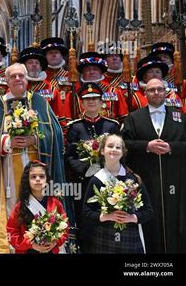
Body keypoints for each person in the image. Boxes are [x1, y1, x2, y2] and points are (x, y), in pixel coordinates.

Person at [0, 63, 75, 254]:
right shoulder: (0, 105)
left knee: (40, 207)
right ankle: (18, 248)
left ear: (27, 79)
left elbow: (55, 134)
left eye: (21, 76)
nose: (17, 79)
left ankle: (44, 244)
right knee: (13, 211)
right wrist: (7, 142)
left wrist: (35, 138)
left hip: (37, 172)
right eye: (13, 76)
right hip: (8, 173)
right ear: (6, 81)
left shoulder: (39, 102)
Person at [122, 78, 186, 253]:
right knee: (150, 216)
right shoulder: (134, 117)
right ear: (145, 93)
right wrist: (147, 146)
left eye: (160, 89)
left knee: (175, 219)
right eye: (152, 90)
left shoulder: (180, 117)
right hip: (146, 177)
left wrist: (171, 147)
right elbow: (124, 143)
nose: (156, 93)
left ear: (166, 92)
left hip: (175, 178)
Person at [64, 82, 120, 251]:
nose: (91, 102)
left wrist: (108, 167)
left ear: (102, 102)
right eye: (87, 99)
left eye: (95, 99)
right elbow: (70, 155)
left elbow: (120, 151)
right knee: (86, 220)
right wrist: (85, 169)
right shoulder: (75, 127)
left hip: (109, 180)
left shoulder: (112, 125)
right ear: (81, 103)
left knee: (109, 216)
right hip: (85, 182)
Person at [83, 134, 154, 253]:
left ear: (123, 152)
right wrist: (106, 216)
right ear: (102, 151)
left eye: (118, 147)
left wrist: (133, 218)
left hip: (130, 239)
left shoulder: (133, 179)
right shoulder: (96, 180)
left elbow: (148, 211)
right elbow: (86, 212)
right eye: (110, 146)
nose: (114, 150)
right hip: (103, 239)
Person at [7, 161, 69, 254]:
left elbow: (65, 228)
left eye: (41, 176)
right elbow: (12, 233)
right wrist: (31, 244)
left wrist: (55, 242)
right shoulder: (20, 207)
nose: (38, 179)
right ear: (27, 180)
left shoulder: (55, 204)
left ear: (47, 180)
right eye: (33, 177)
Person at [68, 52, 128, 122]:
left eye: (95, 69)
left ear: (101, 71)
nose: (92, 72)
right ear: (82, 73)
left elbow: (124, 119)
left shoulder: (114, 92)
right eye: (88, 69)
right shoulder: (73, 95)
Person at [41, 37, 71, 127]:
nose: (54, 55)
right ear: (45, 57)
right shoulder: (40, 77)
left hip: (67, 118)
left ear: (62, 55)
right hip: (45, 118)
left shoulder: (70, 76)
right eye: (50, 53)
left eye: (56, 52)